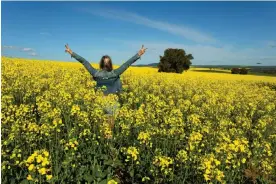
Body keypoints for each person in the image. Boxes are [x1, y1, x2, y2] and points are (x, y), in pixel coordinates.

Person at [65, 44, 147, 129]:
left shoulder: (95, 73)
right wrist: (138, 54)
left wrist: (72, 53)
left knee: (99, 126)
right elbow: (127, 64)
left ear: (101, 63)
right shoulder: (115, 73)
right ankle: (108, 139)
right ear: (110, 63)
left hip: (98, 101)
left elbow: (84, 62)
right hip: (112, 102)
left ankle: (103, 139)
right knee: (109, 127)